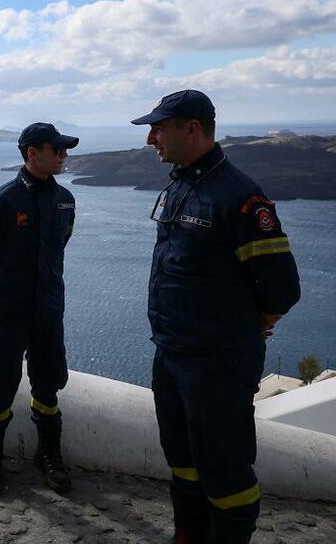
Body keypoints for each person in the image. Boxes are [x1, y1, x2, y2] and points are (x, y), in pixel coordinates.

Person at [131, 89, 301, 544]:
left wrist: (251, 323)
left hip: (216, 361)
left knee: (224, 467)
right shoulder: (182, 185)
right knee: (182, 458)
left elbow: (281, 287)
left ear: (191, 128)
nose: (151, 139)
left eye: (158, 128)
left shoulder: (241, 197)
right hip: (172, 353)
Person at [0, 122, 78, 496]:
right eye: (56, 149)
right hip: (8, 313)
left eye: (64, 149)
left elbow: (59, 245)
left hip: (47, 312)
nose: (63, 155)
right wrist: (8, 287)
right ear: (32, 153)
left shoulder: (65, 201)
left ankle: (48, 456)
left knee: (48, 387)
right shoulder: (0, 202)